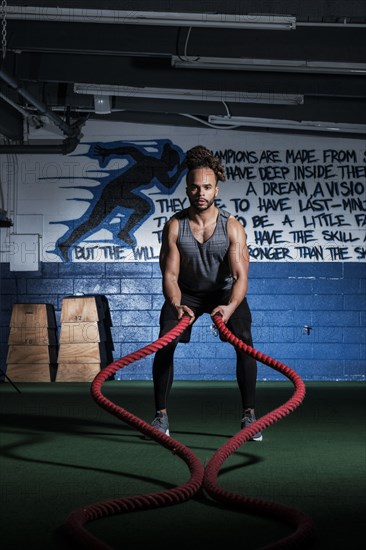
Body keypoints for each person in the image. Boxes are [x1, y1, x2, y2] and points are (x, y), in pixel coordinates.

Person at [150, 145, 262, 441]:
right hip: (186, 293)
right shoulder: (174, 226)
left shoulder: (232, 227)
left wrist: (230, 307)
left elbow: (240, 276)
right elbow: (170, 276)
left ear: (217, 189)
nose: (201, 193)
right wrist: (176, 305)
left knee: (245, 344)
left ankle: (249, 415)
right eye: (195, 187)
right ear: (187, 189)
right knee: (165, 343)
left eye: (207, 187)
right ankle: (161, 416)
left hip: (224, 292)